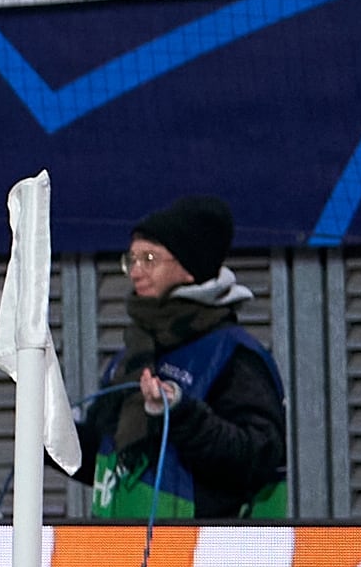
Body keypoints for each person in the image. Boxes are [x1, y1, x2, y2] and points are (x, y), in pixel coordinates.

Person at [79, 195, 290, 520]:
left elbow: (258, 457)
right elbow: (105, 460)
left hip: (205, 561)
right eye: (131, 259)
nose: (136, 272)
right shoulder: (133, 353)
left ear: (190, 268)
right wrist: (47, 434)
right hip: (119, 555)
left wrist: (180, 414)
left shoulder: (234, 356)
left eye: (149, 258)